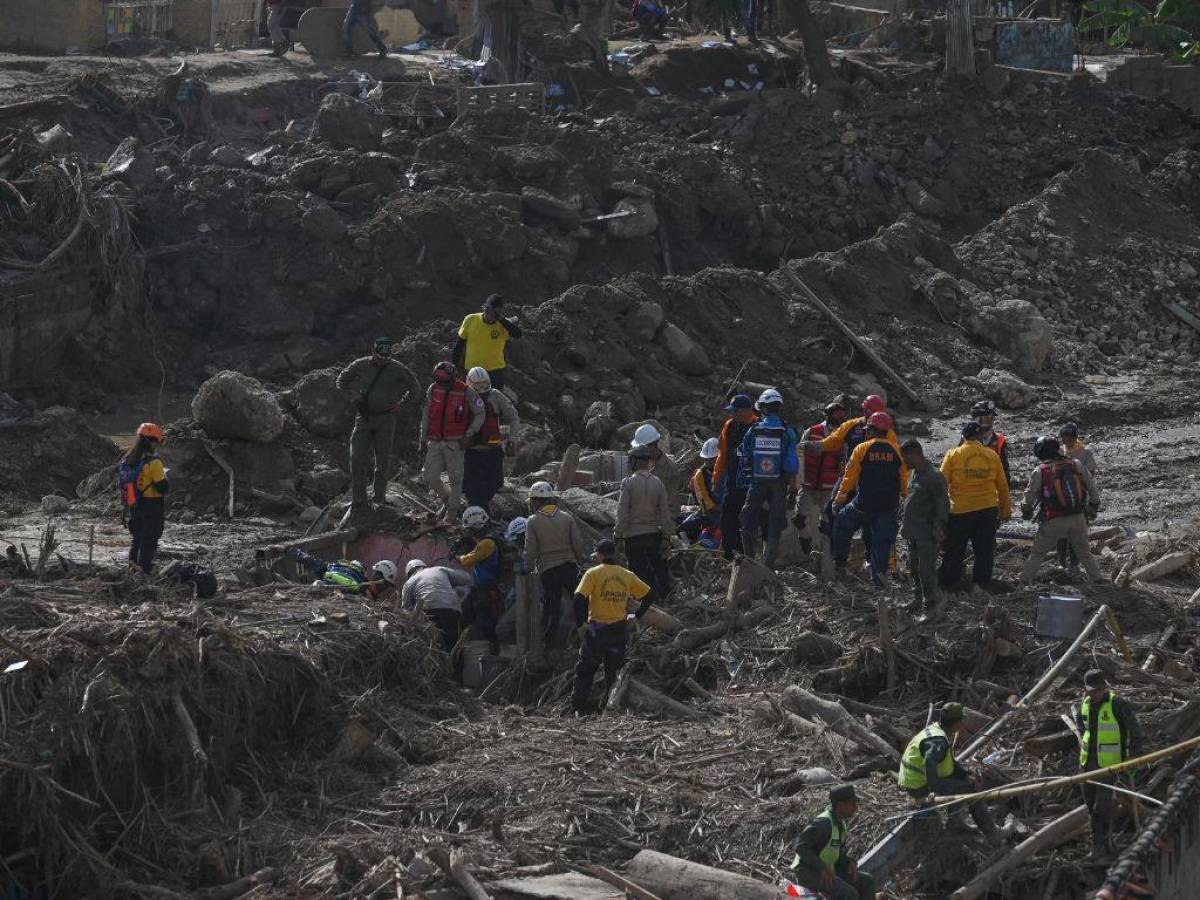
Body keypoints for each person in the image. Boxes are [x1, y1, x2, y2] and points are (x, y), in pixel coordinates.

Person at [571, 539, 658, 713]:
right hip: (619, 631)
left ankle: (578, 709)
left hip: (596, 630)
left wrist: (581, 624)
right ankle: (610, 708)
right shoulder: (627, 575)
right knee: (615, 673)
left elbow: (578, 598)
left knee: (585, 670)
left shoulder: (593, 573)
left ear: (600, 555)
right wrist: (634, 615)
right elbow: (650, 595)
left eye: (596, 554)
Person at [899, 703, 1003, 847]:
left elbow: (948, 763)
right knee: (972, 791)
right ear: (957, 723)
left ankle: (957, 824)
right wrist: (941, 786)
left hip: (915, 780)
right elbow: (930, 761)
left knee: (963, 782)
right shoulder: (939, 741)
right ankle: (993, 835)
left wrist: (966, 774)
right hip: (920, 785)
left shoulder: (937, 730)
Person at [337, 337, 419, 517]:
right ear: (373, 351)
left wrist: (401, 404)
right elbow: (341, 380)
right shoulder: (360, 365)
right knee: (356, 457)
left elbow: (415, 388)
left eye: (386, 357)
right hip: (364, 417)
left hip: (386, 420)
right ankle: (359, 500)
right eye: (380, 356)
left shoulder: (397, 368)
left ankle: (379, 499)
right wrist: (353, 395)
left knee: (382, 461)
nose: (383, 360)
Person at [831, 412, 906, 587]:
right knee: (882, 542)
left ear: (872, 429)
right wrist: (904, 499)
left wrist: (838, 500)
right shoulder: (897, 450)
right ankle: (878, 580)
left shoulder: (862, 448)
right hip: (888, 506)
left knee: (842, 522)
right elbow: (903, 479)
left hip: (863, 504)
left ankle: (840, 564)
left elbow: (849, 478)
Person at [1077, 669, 1144, 860]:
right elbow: (1081, 724)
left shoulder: (1117, 704)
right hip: (1086, 764)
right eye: (1092, 691)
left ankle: (1099, 846)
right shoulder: (1085, 703)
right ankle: (1103, 842)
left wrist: (1134, 757)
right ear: (1086, 690)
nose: (1095, 694)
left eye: (1099, 690)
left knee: (1101, 807)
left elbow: (1135, 731)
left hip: (1109, 766)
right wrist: (1083, 738)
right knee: (1091, 807)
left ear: (1104, 687)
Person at [938, 421, 1011, 593]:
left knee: (955, 550)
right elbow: (1002, 486)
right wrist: (1005, 511)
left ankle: (949, 584)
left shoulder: (953, 454)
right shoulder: (992, 455)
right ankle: (980, 585)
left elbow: (941, 483)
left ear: (963, 437)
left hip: (960, 511)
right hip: (987, 510)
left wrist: (938, 512)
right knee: (984, 550)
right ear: (979, 437)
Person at [1020, 435, 1102, 584]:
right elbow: (1092, 487)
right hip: (1078, 517)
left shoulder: (1040, 470)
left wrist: (1026, 510)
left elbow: (1029, 495)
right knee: (1085, 553)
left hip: (1054, 519)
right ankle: (1098, 580)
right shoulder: (1075, 463)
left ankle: (1023, 582)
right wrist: (1094, 505)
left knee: (1038, 553)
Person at [738, 389, 800, 568]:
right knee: (775, 521)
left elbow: (745, 457)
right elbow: (792, 466)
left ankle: (748, 560)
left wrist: (747, 480)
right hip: (778, 484)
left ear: (763, 408)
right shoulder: (787, 432)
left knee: (747, 518)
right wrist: (793, 490)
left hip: (757, 483)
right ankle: (769, 564)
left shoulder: (754, 430)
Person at [418, 362, 485, 522]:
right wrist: (422, 437)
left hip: (455, 443)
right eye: (437, 378)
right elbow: (426, 413)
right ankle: (448, 500)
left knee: (455, 479)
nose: (440, 381)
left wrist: (469, 434)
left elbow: (480, 413)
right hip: (434, 440)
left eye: (443, 379)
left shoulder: (466, 391)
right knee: (429, 476)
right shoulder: (433, 389)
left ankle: (452, 515)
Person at [524, 481, 587, 645]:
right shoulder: (566, 518)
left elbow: (530, 550)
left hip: (548, 570)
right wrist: (580, 561)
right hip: (569, 567)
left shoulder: (533, 521)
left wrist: (527, 568)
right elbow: (578, 543)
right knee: (580, 603)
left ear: (536, 501)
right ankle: (585, 636)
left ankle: (549, 643)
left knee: (552, 608)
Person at [789, 784, 876, 900]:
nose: (856, 808)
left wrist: (848, 861)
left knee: (867, 881)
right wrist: (821, 869)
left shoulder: (841, 823)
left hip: (828, 869)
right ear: (841, 805)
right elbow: (801, 847)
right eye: (852, 804)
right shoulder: (823, 824)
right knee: (850, 894)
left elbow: (835, 848)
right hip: (808, 872)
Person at [615, 444, 674, 599]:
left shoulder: (628, 483)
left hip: (633, 536)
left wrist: (618, 534)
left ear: (635, 461)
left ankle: (645, 602)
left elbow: (622, 512)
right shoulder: (658, 483)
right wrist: (667, 536)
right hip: (654, 534)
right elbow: (665, 513)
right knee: (659, 568)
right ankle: (665, 598)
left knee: (638, 571)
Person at [794, 399, 849, 558]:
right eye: (836, 414)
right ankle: (807, 548)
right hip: (809, 485)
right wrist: (795, 485)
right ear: (828, 415)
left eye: (842, 415)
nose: (840, 418)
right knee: (798, 519)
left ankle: (826, 558)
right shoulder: (812, 431)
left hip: (830, 489)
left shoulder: (845, 436)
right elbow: (800, 454)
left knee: (827, 525)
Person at [900, 439, 949, 618]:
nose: (904, 461)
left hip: (927, 533)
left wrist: (939, 526)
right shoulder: (914, 474)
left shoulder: (934, 476)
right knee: (913, 568)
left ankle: (931, 606)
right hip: (913, 531)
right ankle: (917, 599)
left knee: (926, 570)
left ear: (914, 455)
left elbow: (943, 505)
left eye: (905, 457)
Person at [462, 367, 520, 512]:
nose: (481, 389)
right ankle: (477, 515)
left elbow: (513, 416)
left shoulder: (496, 395)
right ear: (469, 384)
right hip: (470, 452)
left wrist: (512, 441)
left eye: (484, 385)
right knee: (473, 488)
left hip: (492, 449)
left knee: (496, 482)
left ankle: (478, 510)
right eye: (477, 386)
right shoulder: (462, 397)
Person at [712, 394, 759, 560]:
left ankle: (747, 557)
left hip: (751, 484)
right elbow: (722, 454)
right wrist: (716, 478)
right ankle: (728, 554)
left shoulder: (759, 427)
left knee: (747, 521)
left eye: (736, 411)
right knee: (727, 518)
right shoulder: (729, 425)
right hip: (731, 482)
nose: (733, 414)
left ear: (747, 410)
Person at [118, 422, 169, 574]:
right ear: (152, 442)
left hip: (134, 504)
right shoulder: (154, 463)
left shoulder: (128, 460)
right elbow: (162, 488)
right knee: (149, 539)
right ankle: (143, 570)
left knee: (137, 538)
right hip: (152, 505)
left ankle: (132, 567)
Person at [456, 506, 510, 640]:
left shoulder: (486, 543)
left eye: (468, 528)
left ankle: (489, 654)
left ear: (474, 527)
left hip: (487, 592)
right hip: (481, 591)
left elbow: (466, 561)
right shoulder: (490, 539)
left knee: (484, 626)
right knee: (464, 617)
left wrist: (458, 556)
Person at [401, 559, 473, 656]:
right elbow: (466, 578)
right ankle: (457, 668)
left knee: (433, 647)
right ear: (424, 566)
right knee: (454, 644)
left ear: (409, 574)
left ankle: (439, 668)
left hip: (429, 612)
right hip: (452, 609)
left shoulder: (409, 582)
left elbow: (405, 610)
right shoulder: (439, 570)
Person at [453, 294, 522, 391]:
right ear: (485, 309)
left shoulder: (502, 325)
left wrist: (501, 319)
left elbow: (518, 334)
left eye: (495, 314)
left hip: (494, 373)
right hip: (472, 372)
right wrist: (456, 367)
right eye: (489, 312)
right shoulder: (471, 320)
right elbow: (459, 345)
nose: (491, 316)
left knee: (493, 403)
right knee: (471, 403)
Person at [1057, 422, 1098, 570]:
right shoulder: (1059, 452)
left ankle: (1075, 563)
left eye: (1069, 438)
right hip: (1062, 498)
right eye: (1064, 438)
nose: (1066, 441)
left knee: (1078, 532)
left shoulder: (1085, 453)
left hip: (1080, 497)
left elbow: (1091, 474)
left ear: (1075, 438)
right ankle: (1062, 562)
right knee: (1061, 532)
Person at [287, 548, 397, 599]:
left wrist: (289, 550)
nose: (383, 589)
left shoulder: (332, 568)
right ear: (378, 576)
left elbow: (310, 560)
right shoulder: (361, 586)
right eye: (384, 585)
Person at [629, 422, 680, 517]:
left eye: (641, 448)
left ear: (651, 446)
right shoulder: (638, 463)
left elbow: (672, 506)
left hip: (660, 520)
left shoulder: (669, 468)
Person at [681, 437, 720, 544]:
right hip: (712, 515)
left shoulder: (728, 470)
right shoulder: (700, 475)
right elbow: (705, 502)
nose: (708, 461)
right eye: (706, 459)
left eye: (711, 459)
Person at [966, 400, 1011, 485]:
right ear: (976, 419)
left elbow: (1004, 469)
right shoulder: (965, 439)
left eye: (992, 416)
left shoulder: (999, 439)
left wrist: (1006, 491)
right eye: (987, 417)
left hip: (991, 491)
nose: (990, 420)